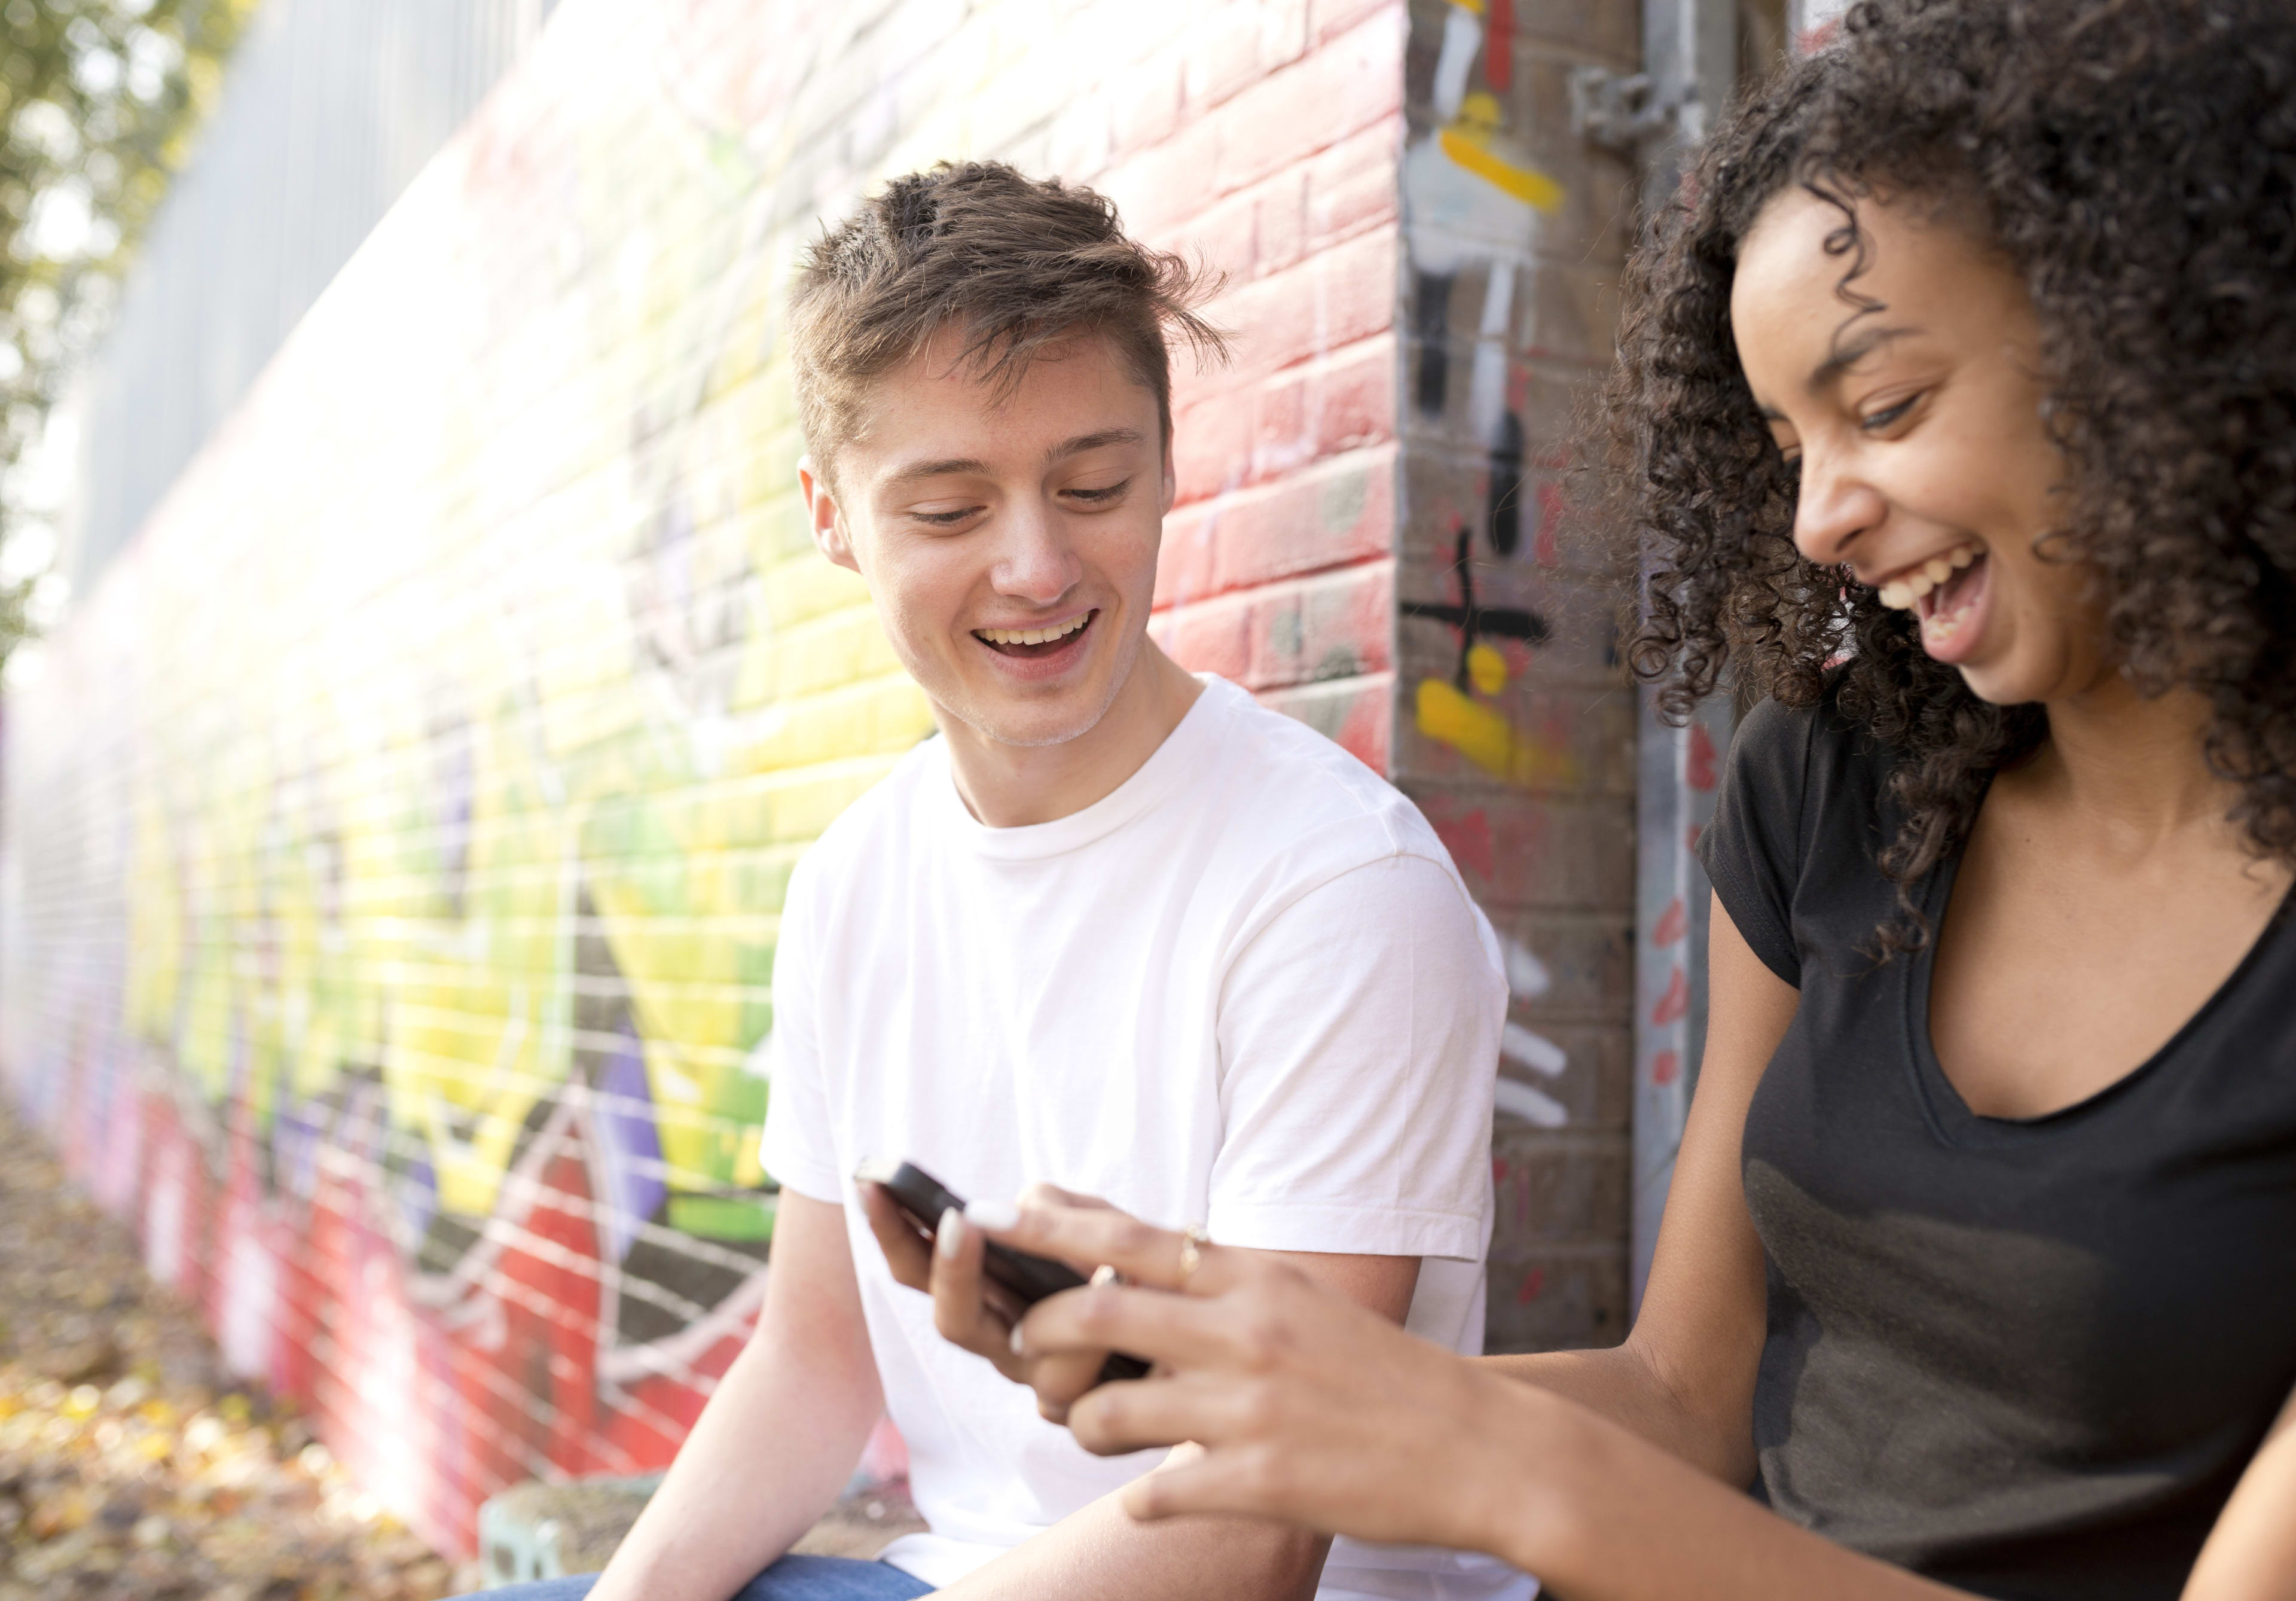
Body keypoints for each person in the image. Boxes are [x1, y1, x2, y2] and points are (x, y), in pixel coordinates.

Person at [909, 3, 2296, 1597]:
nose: (1825, 517)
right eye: (1785, 445)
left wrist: (1494, 1457)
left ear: (2154, 332)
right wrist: (1250, 1368)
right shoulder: (1830, 793)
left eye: (1887, 405)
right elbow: (1683, 1397)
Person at [475, 162, 1532, 1601]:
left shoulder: (1344, 891)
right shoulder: (853, 881)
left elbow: (1253, 1525)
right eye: (950, 510)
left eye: (1092, 485)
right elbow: (809, 1361)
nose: (1037, 566)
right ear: (832, 515)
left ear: (1167, 465)